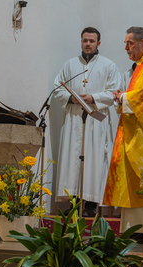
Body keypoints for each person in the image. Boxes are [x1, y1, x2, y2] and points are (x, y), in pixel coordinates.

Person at [53, 27, 121, 216]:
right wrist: (70, 98)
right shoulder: (70, 65)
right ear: (81, 42)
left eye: (91, 41)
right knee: (72, 159)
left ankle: (90, 205)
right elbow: (57, 89)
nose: (88, 44)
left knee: (94, 159)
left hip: (95, 121)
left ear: (99, 43)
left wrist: (93, 97)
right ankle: (74, 203)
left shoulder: (109, 66)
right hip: (74, 118)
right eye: (85, 40)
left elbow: (114, 93)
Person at [103, 27, 143, 232]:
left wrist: (123, 97)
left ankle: (139, 230)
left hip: (140, 137)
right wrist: (121, 98)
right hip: (130, 132)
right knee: (130, 182)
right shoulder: (137, 67)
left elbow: (142, 96)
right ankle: (133, 229)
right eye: (125, 44)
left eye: (131, 43)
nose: (127, 48)